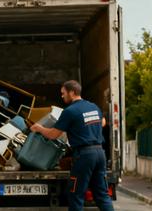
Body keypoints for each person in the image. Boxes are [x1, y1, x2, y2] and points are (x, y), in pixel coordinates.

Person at [30, 80, 114, 211]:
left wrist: (39, 128)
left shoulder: (70, 111)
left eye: (63, 93)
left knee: (76, 195)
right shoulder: (93, 107)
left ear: (72, 92)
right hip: (99, 154)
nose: (62, 96)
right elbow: (103, 122)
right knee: (102, 195)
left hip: (84, 156)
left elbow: (53, 135)